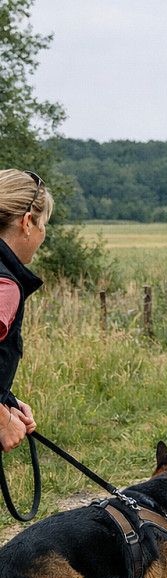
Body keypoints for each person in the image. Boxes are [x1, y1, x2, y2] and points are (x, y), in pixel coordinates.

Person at [0, 169, 52, 454]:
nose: (43, 234)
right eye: (44, 224)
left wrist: (7, 400)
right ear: (27, 223)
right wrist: (2, 420)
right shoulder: (5, 286)